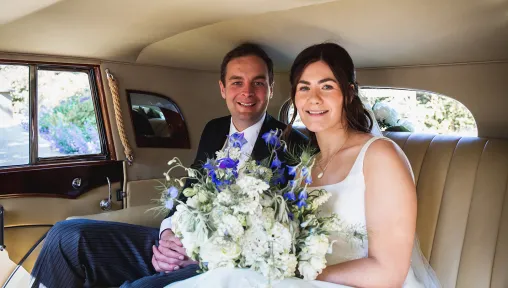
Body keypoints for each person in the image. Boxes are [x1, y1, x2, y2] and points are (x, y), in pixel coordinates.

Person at [29, 43, 308, 288]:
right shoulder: (214, 129)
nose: (247, 92)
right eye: (237, 82)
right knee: (66, 236)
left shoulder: (292, 144)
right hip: (179, 242)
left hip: (225, 263)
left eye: (258, 83)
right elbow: (188, 191)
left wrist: (206, 252)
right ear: (223, 88)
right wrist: (168, 235)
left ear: (270, 90)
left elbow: (281, 230)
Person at [164, 43, 441, 288]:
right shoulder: (301, 169)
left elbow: (388, 274)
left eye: (327, 86)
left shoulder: (380, 156)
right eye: (304, 87)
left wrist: (300, 272)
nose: (314, 98)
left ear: (349, 93)